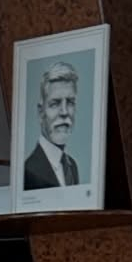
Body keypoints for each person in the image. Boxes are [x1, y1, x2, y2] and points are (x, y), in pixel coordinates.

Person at [22, 61, 81, 189]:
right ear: (41, 112)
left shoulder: (72, 166)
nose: (64, 112)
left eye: (70, 102)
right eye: (55, 103)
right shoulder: (27, 171)